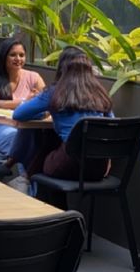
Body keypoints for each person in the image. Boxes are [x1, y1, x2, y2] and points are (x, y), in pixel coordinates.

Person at [13, 46, 114, 182]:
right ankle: (24, 178)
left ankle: (25, 180)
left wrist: (43, 113)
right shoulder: (100, 93)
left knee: (48, 142)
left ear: (62, 68)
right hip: (99, 168)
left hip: (69, 164)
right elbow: (111, 125)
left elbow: (19, 114)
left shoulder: (55, 92)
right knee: (53, 138)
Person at [0, 36, 45, 160]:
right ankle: (25, 177)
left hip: (29, 127)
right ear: (3, 57)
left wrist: (36, 100)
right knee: (22, 140)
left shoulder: (34, 77)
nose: (18, 59)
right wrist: (25, 102)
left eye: (21, 55)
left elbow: (46, 99)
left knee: (43, 140)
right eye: (13, 55)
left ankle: (27, 177)